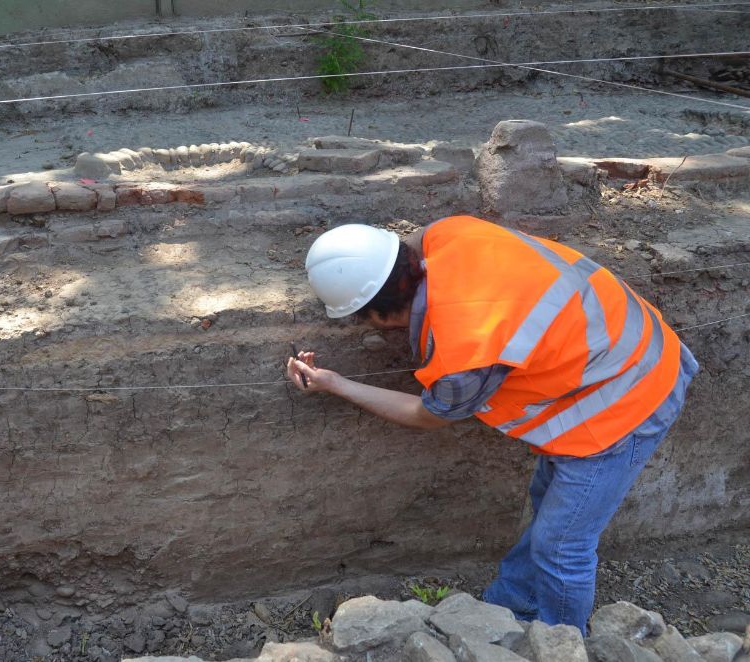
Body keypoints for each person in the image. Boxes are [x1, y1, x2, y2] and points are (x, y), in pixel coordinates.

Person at [285, 216, 698, 634]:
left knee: (561, 545)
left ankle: (562, 642)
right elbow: (412, 243)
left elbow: (425, 415)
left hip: (628, 402)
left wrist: (337, 385)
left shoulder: (464, 353)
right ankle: (514, 609)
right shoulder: (449, 233)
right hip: (627, 345)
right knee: (548, 508)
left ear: (376, 314)